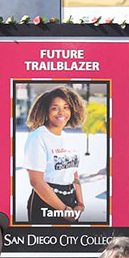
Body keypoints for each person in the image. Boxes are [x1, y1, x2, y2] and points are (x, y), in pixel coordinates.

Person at [23, 86, 87, 224]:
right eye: (55, 108)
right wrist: (63, 209)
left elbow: (74, 174)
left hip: (71, 201)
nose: (61, 112)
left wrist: (80, 203)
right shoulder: (38, 137)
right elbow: (36, 181)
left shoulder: (69, 139)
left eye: (66, 107)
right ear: (46, 111)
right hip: (46, 202)